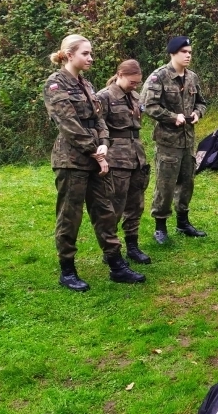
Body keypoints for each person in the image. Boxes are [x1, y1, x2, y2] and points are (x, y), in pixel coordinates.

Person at [43, 34, 146, 291]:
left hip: (96, 157)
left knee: (105, 212)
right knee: (70, 216)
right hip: (72, 160)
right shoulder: (56, 84)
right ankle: (68, 270)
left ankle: (116, 265)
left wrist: (104, 143)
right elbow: (68, 124)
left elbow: (100, 119)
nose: (91, 58)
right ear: (69, 55)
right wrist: (94, 150)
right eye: (85, 53)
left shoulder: (87, 85)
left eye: (91, 53)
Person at [141, 36, 208, 244]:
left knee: (187, 182)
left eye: (190, 52)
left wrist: (197, 113)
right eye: (183, 52)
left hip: (188, 140)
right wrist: (172, 117)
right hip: (168, 141)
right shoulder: (159, 76)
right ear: (173, 53)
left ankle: (183, 222)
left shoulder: (192, 77)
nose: (188, 55)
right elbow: (147, 105)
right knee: (166, 184)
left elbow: (202, 102)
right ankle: (160, 227)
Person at [97, 60, 151, 265]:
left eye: (138, 82)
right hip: (116, 159)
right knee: (115, 206)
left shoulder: (135, 96)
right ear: (120, 74)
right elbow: (98, 128)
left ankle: (132, 246)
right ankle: (110, 250)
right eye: (132, 82)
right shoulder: (104, 97)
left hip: (136, 156)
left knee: (136, 205)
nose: (135, 86)